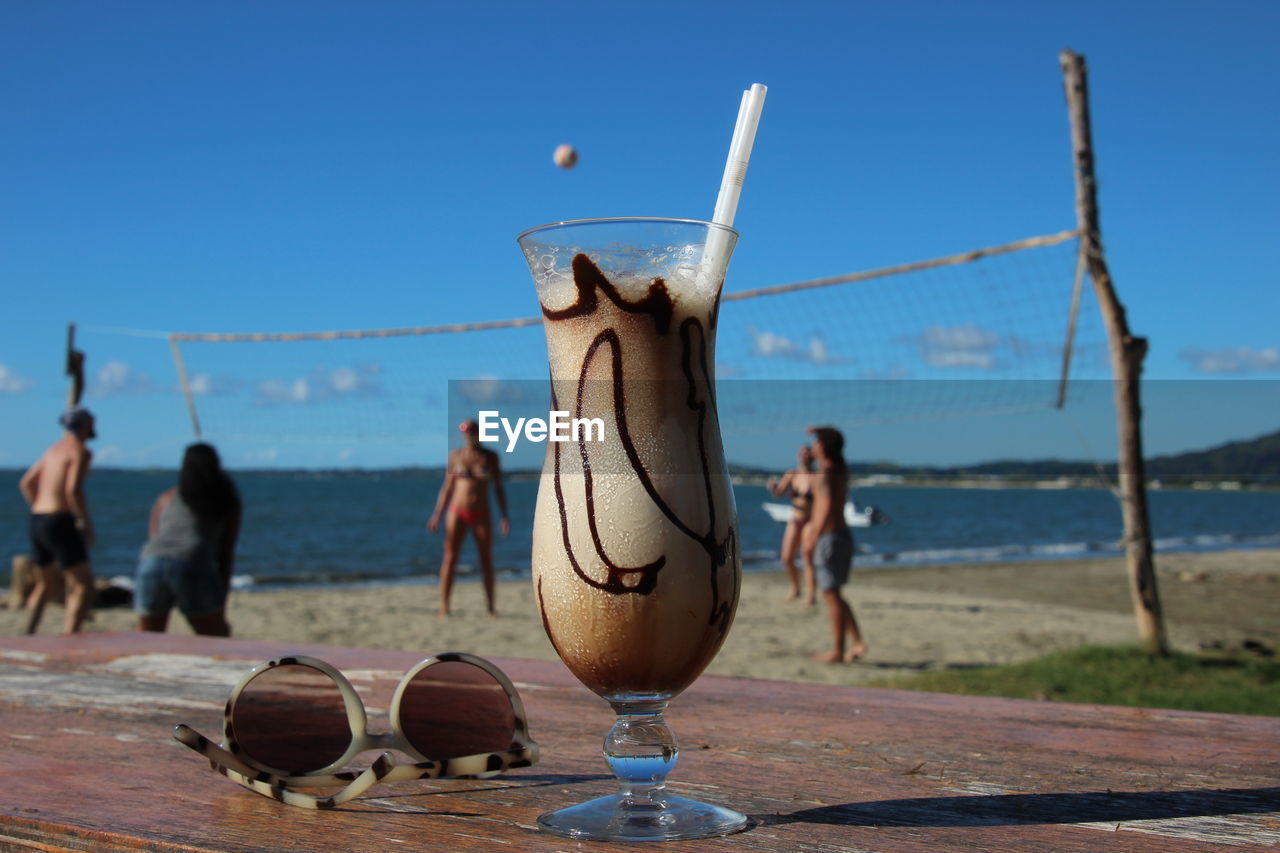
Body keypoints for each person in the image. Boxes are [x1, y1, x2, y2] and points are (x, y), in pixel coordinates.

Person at [134, 443, 241, 636]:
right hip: (192, 561)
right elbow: (225, 554)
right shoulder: (225, 500)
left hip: (151, 561)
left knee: (149, 637)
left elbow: (154, 536)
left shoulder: (167, 497)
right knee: (216, 637)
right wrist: (220, 601)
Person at [20, 407, 97, 634]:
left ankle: (28, 634)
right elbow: (73, 489)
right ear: (84, 425)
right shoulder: (80, 451)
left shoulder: (52, 450)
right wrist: (85, 523)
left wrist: (39, 506)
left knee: (45, 584)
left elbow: (26, 483)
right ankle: (70, 638)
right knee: (83, 585)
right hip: (59, 519)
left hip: (38, 518)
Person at [427, 420, 509, 617]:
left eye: (473, 430)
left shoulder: (490, 457)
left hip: (481, 512)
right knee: (450, 557)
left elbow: (498, 487)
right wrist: (436, 515)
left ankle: (490, 608)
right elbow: (447, 488)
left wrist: (504, 515)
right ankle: (444, 606)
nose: (470, 434)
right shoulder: (456, 456)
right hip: (457, 511)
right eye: (466, 431)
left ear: (480, 433)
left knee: (486, 560)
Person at [804, 425, 867, 663]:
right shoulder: (839, 469)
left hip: (829, 538)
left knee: (831, 595)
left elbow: (826, 507)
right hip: (841, 536)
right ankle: (857, 642)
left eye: (817, 441)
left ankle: (838, 651)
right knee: (835, 595)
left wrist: (812, 537)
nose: (812, 445)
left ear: (823, 446)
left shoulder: (827, 473)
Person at [767, 445, 817, 604]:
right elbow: (777, 494)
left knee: (807, 558)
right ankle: (796, 589)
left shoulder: (817, 476)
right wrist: (773, 488)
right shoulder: (792, 474)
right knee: (787, 558)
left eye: (807, 453)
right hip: (795, 519)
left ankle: (811, 595)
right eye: (802, 452)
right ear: (798, 456)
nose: (804, 455)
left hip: (811, 521)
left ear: (813, 456)